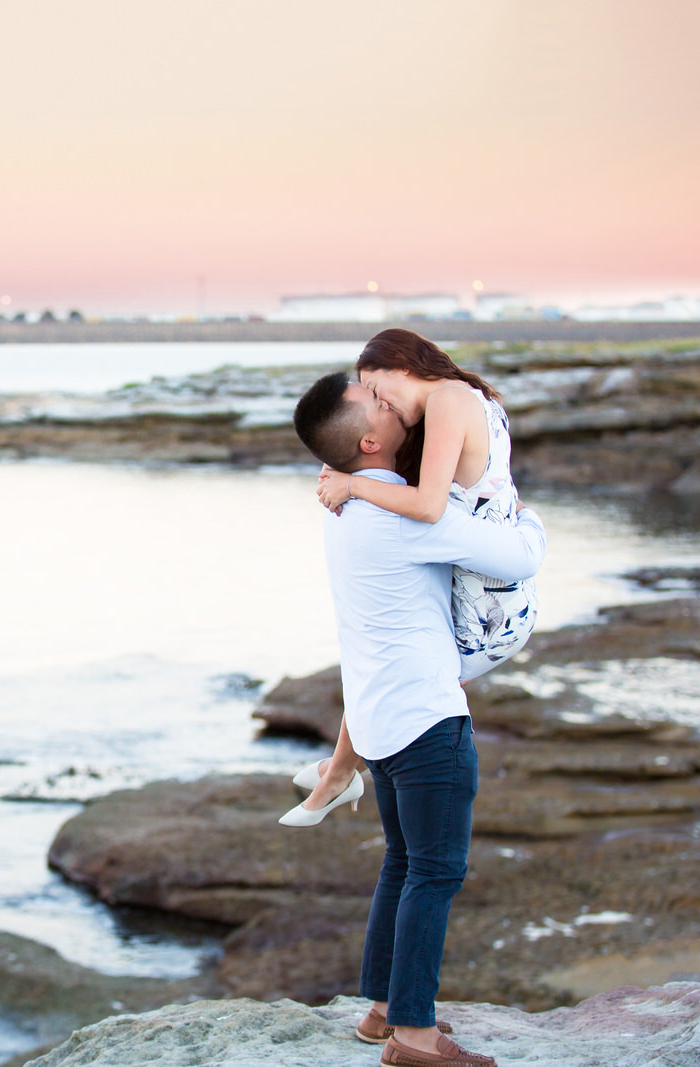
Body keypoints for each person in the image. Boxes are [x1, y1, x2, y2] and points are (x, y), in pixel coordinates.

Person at [285, 370, 547, 1067]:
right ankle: (417, 1038)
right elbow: (519, 557)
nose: (394, 400)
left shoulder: (344, 507)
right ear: (371, 438)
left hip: (380, 722)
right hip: (428, 722)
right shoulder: (404, 510)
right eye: (378, 401)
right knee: (434, 873)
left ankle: (381, 1011)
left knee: (403, 865)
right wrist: (527, 514)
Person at [290, 329, 538, 823]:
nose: (380, 401)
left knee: (383, 649)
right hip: (487, 587)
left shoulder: (448, 398)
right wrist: (343, 464)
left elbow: (427, 505)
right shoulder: (471, 399)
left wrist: (353, 482)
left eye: (377, 389)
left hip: (490, 604)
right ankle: (340, 769)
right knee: (380, 644)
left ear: (402, 363)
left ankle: (340, 772)